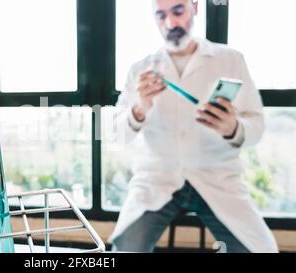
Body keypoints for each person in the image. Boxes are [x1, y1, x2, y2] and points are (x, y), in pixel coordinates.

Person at [109, 0, 278, 253]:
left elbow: (257, 127)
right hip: (157, 178)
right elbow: (117, 135)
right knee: (126, 248)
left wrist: (232, 127)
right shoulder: (140, 70)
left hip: (218, 177)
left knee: (262, 249)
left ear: (195, 7)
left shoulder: (230, 60)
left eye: (178, 11)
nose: (170, 23)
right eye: (161, 15)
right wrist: (140, 108)